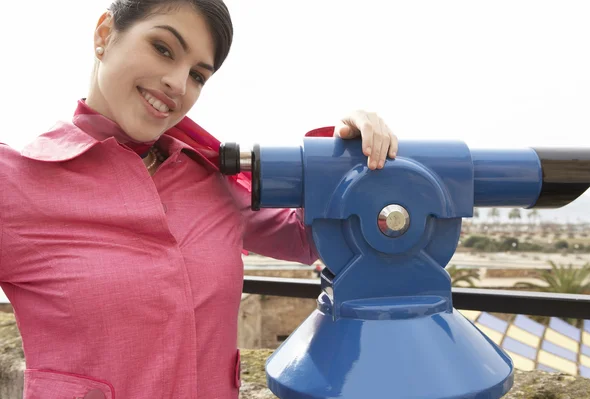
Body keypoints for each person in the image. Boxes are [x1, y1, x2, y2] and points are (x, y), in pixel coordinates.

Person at [0, 1, 398, 398]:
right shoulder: (16, 183)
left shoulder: (208, 178)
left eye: (197, 75)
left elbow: (306, 239)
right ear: (105, 34)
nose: (177, 82)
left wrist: (341, 153)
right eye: (163, 48)